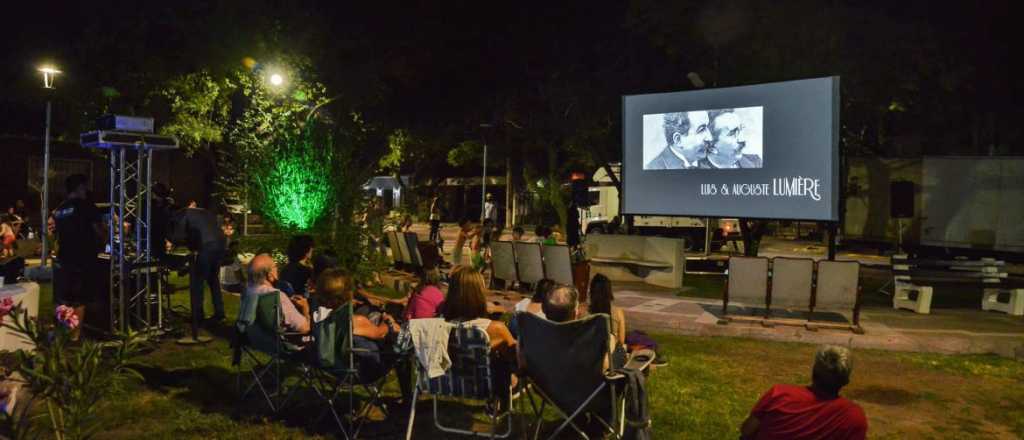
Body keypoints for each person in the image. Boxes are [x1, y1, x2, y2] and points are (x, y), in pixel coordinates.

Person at [316, 268, 412, 402]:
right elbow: (380, 333)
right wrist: (388, 321)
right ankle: (409, 399)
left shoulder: (322, 319)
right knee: (403, 350)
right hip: (361, 372)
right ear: (348, 294)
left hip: (335, 369)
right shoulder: (353, 321)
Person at [740, 345, 868, 440]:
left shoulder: (779, 394)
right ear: (845, 381)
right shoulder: (854, 417)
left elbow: (747, 431)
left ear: (813, 372)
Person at [443, 266, 517, 395]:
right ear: (479, 293)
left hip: (449, 382)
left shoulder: (441, 326)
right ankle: (500, 406)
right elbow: (516, 358)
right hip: (485, 385)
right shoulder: (495, 329)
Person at [52, 174, 103, 341]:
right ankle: (74, 336)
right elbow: (99, 230)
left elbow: (57, 234)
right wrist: (103, 243)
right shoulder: (86, 206)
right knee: (79, 298)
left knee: (63, 298)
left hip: (64, 257)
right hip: (83, 257)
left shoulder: (60, 209)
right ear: (80, 187)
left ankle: (63, 331)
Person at [170, 202, 228, 339]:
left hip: (206, 246)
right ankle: (220, 313)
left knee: (197, 281)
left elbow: (177, 237)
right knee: (213, 279)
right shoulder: (203, 211)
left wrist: (175, 243)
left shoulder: (182, 215)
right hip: (220, 244)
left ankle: (198, 316)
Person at [242, 254, 311, 334]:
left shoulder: (248, 291)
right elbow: (305, 329)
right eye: (275, 266)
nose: (277, 269)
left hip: (256, 342)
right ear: (270, 275)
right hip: (285, 343)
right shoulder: (277, 296)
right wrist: (305, 309)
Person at [645, 111, 712, 170]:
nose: (710, 138)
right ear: (678, 140)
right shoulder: (653, 168)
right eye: (701, 130)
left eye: (707, 127)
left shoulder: (708, 165)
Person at [588, 274, 626, 346]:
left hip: (589, 354)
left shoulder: (582, 311)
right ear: (609, 291)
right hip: (611, 354)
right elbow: (621, 341)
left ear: (592, 291)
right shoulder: (618, 312)